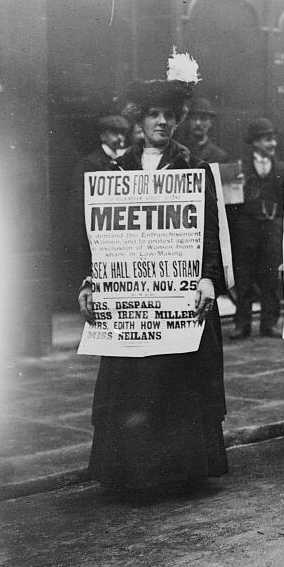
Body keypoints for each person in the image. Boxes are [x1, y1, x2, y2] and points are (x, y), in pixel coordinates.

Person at [78, 55, 229, 499]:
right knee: (134, 380)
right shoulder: (114, 171)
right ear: (139, 120)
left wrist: (208, 279)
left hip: (178, 296)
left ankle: (179, 472)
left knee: (176, 380)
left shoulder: (193, 169)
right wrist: (89, 281)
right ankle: (132, 470)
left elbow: (210, 233)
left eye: (170, 115)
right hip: (131, 297)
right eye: (154, 114)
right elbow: (97, 237)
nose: (162, 122)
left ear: (179, 120)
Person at [229, 118, 284, 339]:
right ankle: (242, 323)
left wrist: (279, 223)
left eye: (273, 139)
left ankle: (269, 323)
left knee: (271, 278)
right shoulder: (240, 169)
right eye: (267, 139)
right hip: (247, 229)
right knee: (243, 277)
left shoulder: (282, 168)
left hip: (273, 229)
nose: (272, 143)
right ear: (254, 142)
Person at [70, 114, 129, 290]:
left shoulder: (126, 162)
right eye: (114, 133)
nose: (120, 138)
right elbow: (77, 206)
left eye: (122, 133)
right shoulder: (90, 164)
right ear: (103, 136)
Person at [178, 96, 229, 164]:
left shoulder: (219, 156)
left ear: (210, 123)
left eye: (203, 118)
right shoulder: (178, 152)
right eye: (194, 118)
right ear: (189, 121)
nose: (198, 123)